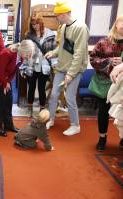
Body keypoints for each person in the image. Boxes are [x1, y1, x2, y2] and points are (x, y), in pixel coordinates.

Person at [45, 1, 89, 136]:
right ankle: (51, 119)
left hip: (74, 70)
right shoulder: (63, 27)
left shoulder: (80, 28)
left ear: (63, 14)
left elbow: (79, 53)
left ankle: (75, 125)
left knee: (69, 97)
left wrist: (70, 75)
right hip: (61, 67)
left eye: (57, 15)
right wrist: (54, 52)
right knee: (53, 95)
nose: (56, 18)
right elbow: (63, 46)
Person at [0, 40, 35, 137]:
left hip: (5, 78)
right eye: (28, 54)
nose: (29, 57)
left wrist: (7, 82)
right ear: (23, 50)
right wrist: (5, 84)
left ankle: (8, 125)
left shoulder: (20, 56)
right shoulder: (6, 54)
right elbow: (0, 72)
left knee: (8, 101)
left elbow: (12, 72)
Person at [89, 15, 123, 151]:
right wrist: (109, 62)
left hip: (122, 86)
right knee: (103, 112)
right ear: (116, 24)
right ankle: (102, 138)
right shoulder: (104, 42)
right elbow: (92, 59)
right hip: (104, 84)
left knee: (122, 112)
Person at [25, 15, 57, 116]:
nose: (35, 26)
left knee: (41, 88)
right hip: (32, 64)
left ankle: (42, 109)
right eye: (33, 24)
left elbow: (53, 49)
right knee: (31, 87)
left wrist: (54, 65)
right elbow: (26, 50)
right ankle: (29, 108)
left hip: (44, 64)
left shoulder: (49, 35)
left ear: (41, 22)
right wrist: (24, 66)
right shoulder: (29, 35)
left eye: (37, 23)